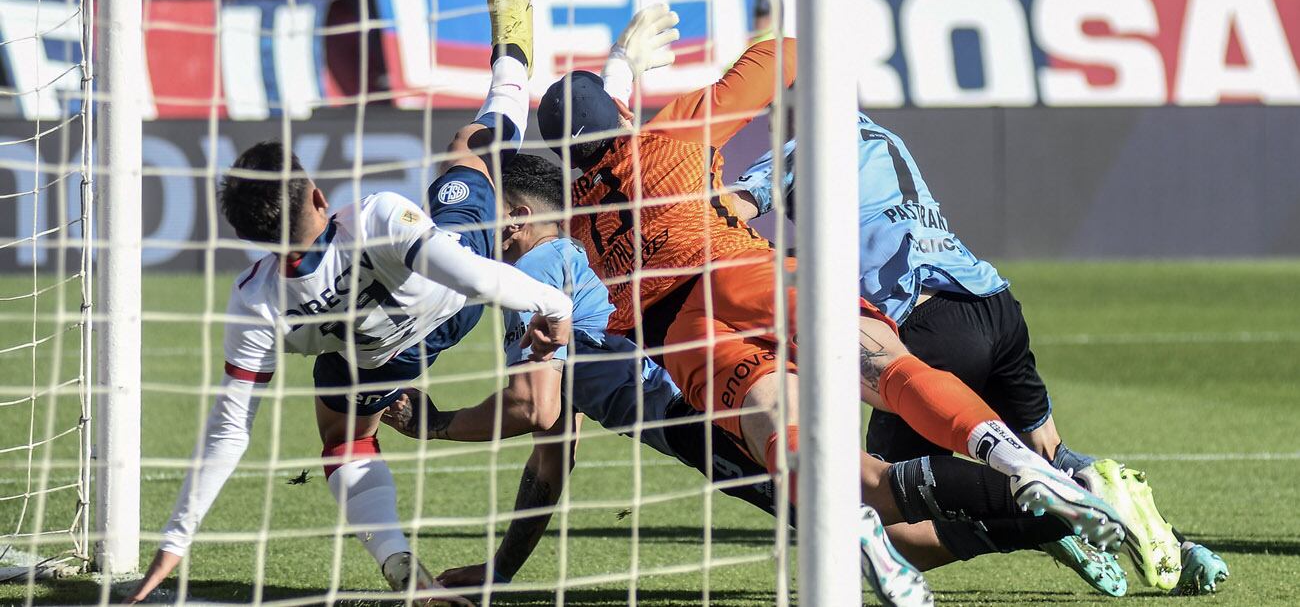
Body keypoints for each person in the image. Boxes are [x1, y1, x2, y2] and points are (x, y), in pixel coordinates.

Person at [535, 26, 1127, 604]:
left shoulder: (576, 220)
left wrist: (615, 76)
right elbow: (784, 56)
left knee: (779, 429)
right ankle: (1017, 461)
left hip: (680, 334)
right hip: (742, 271)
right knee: (887, 366)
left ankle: (848, 522)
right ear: (623, 114)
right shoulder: (672, 135)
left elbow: (582, 162)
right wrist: (634, 67)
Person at [381, 153, 1119, 602]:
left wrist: (436, 421)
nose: (469, 244)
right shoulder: (573, 266)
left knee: (871, 499)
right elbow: (554, 446)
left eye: (478, 226)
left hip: (706, 408)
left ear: (514, 218)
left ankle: (1054, 505)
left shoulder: (537, 270)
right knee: (875, 515)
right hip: (713, 392)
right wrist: (503, 570)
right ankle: (1044, 507)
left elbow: (533, 405)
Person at [125, 0, 571, 606]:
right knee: (472, 143)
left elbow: (228, 430)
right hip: (455, 285)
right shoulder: (372, 220)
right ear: (315, 193)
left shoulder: (256, 300)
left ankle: (396, 561)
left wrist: (173, 544)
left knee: (341, 433)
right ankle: (513, 60)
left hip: (384, 356)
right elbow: (468, 271)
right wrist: (548, 301)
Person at [729, 107, 1230, 596]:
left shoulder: (803, 148)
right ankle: (1179, 548)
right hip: (993, 303)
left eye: (772, 109)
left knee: (893, 526)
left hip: (924, 325)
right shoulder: (883, 136)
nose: (769, 123)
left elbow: (724, 217)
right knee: (1047, 454)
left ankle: (1058, 522)